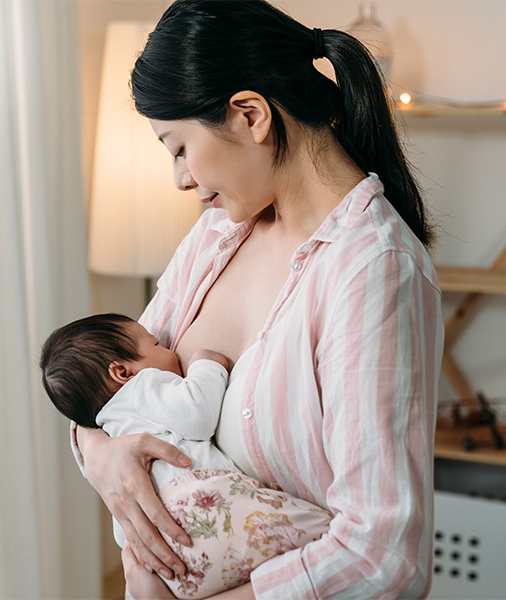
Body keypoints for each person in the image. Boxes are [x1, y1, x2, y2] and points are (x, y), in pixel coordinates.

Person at [73, 0, 444, 598]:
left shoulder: (373, 269)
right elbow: (109, 380)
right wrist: (100, 454)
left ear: (251, 115)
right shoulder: (215, 237)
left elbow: (382, 557)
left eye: (179, 148)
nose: (180, 179)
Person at [41, 313, 332, 598]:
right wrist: (207, 364)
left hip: (171, 561)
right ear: (122, 373)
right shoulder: (141, 386)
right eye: (157, 344)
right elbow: (197, 415)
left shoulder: (107, 428)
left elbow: (125, 526)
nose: (170, 350)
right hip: (207, 510)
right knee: (324, 531)